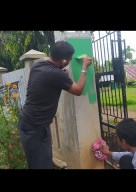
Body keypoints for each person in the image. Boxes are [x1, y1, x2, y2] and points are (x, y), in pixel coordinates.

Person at [18, 41, 92, 169]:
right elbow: (78, 90)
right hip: (35, 128)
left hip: (32, 123)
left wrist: (60, 71)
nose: (69, 62)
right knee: (40, 165)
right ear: (63, 61)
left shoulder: (38, 64)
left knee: (42, 162)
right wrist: (84, 68)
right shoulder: (56, 74)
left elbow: (52, 74)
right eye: (69, 60)